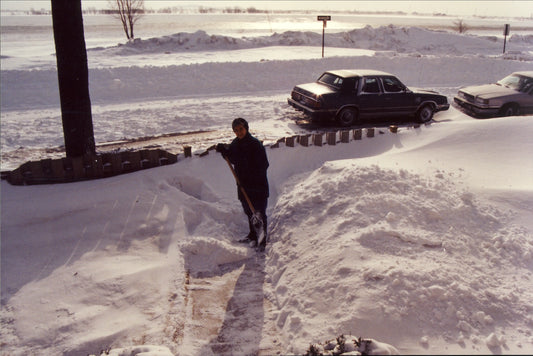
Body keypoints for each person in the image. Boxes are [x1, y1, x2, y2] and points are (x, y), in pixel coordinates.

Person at [216, 118, 269, 249]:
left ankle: (262, 239)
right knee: (249, 211)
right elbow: (234, 158)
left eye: (241, 129)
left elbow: (264, 164)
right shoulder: (235, 144)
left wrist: (252, 175)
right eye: (236, 130)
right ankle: (252, 235)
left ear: (246, 128)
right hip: (243, 185)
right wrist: (224, 151)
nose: (239, 132)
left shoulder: (255, 144)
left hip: (257, 185)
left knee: (259, 211)